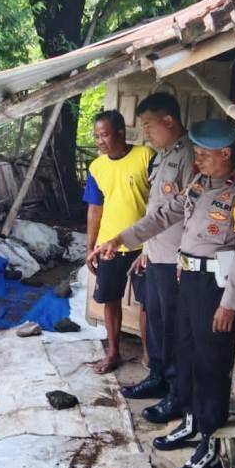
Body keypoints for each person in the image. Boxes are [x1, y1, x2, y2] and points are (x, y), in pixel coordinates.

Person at [88, 118, 235, 468]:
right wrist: (120, 239)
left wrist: (230, 304)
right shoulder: (200, 183)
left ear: (225, 153)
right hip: (187, 278)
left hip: (215, 288)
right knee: (183, 352)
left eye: (203, 155)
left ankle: (210, 442)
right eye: (195, 153)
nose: (196, 161)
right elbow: (164, 215)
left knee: (210, 361)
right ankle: (190, 420)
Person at [120, 94, 195, 430]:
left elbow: (186, 211)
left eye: (149, 125)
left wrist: (181, 257)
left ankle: (176, 394)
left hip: (176, 258)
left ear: (168, 121)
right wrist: (146, 251)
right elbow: (156, 209)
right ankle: (158, 377)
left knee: (175, 327)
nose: (145, 132)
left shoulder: (190, 155)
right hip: (156, 254)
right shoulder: (164, 155)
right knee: (156, 322)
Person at [83, 110, 155, 374]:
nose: (99, 141)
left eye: (104, 135)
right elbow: (95, 209)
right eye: (96, 136)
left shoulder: (145, 156)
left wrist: (153, 244)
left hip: (143, 246)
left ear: (121, 133)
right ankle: (113, 353)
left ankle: (149, 356)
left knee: (148, 303)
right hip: (108, 247)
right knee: (110, 298)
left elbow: (159, 203)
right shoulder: (97, 167)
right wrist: (90, 247)